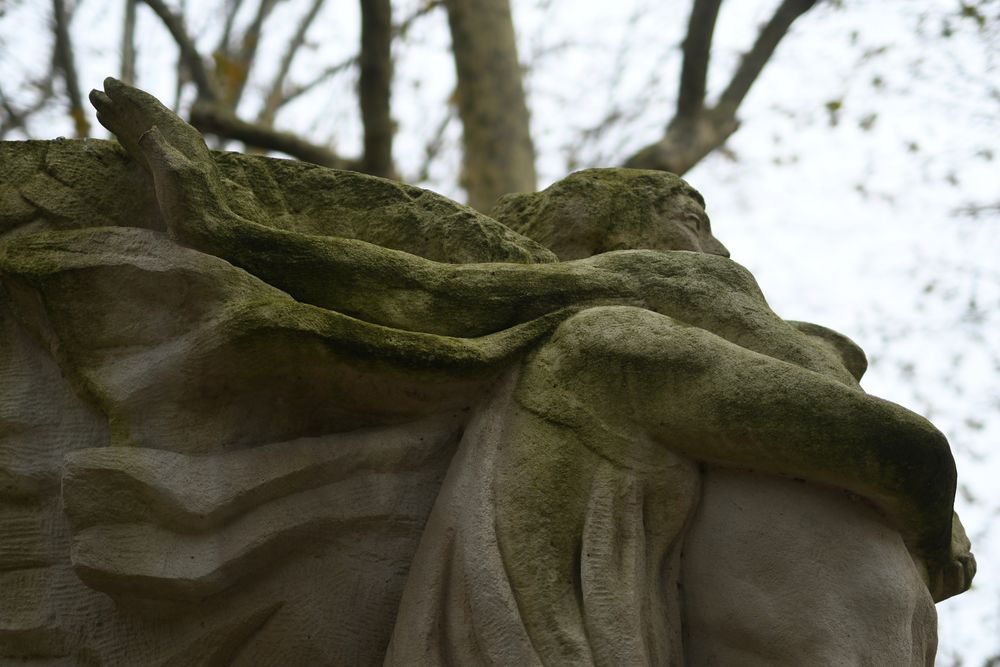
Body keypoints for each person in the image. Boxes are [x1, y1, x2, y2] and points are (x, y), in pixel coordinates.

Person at [41, 78, 972, 663]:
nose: (710, 238)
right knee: (598, 353)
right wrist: (222, 224)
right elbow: (422, 293)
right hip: (779, 578)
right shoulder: (631, 307)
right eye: (683, 213)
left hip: (869, 603)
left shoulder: (776, 335)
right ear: (610, 237)